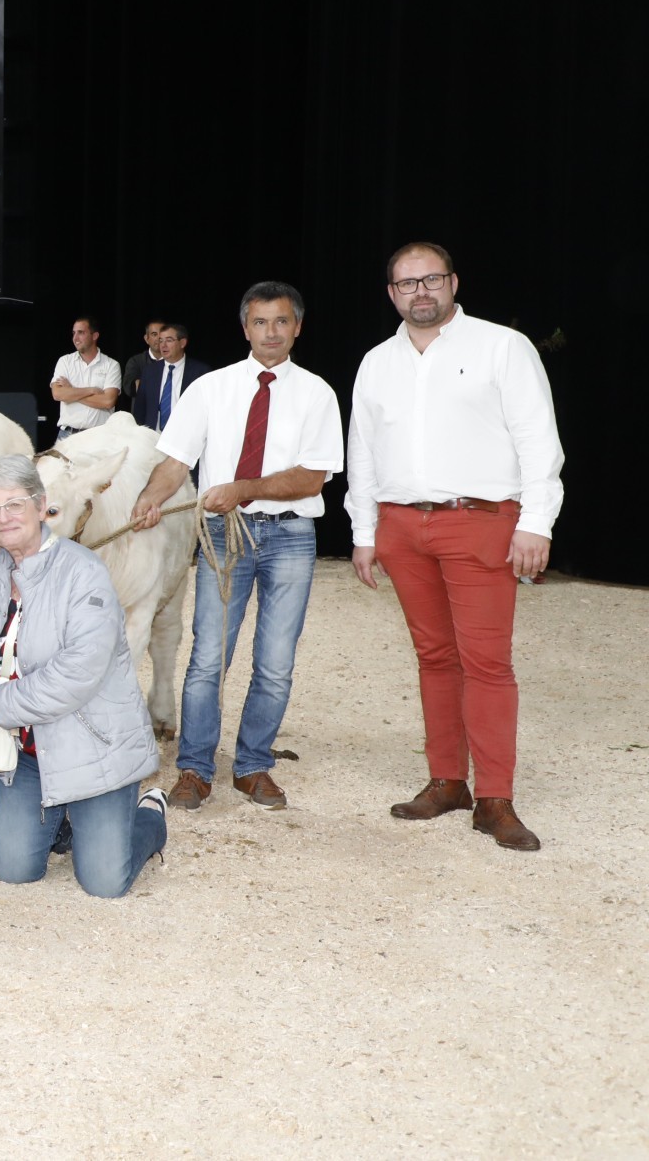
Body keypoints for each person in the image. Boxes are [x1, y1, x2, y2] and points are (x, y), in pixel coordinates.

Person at [347, 242, 563, 852]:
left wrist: (536, 523)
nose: (421, 291)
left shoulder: (501, 347)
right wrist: (365, 534)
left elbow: (538, 443)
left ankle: (496, 797)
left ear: (452, 282)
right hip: (400, 526)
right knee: (434, 657)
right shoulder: (376, 362)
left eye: (431, 279)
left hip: (482, 522)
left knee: (487, 662)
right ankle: (448, 780)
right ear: (391, 292)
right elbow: (361, 450)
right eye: (407, 283)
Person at [132, 281, 344, 812]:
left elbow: (313, 478)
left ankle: (252, 766)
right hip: (225, 536)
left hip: (291, 534)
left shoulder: (317, 393)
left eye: (280, 322)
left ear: (297, 326)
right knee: (208, 658)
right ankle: (194, 769)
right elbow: (176, 461)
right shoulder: (211, 389)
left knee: (275, 662)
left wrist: (242, 490)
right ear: (244, 328)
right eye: (259, 322)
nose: (270, 332)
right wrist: (149, 500)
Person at [0, 454, 168, 897]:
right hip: (31, 753)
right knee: (12, 869)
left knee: (103, 882)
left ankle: (149, 814)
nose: (3, 518)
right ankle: (63, 820)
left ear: (41, 506)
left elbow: (77, 672)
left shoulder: (83, 571)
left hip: (92, 748)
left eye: (14, 504)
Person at [50, 316, 120, 440]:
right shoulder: (65, 361)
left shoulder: (111, 365)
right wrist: (91, 390)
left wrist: (71, 391)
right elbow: (58, 394)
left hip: (99, 437)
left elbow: (108, 402)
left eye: (81, 333)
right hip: (68, 435)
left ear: (95, 336)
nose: (75, 338)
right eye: (74, 333)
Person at [131, 323, 209, 431]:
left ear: (182, 343)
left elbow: (207, 410)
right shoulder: (149, 371)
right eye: (161, 340)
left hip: (185, 436)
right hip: (153, 437)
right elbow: (140, 409)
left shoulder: (200, 372)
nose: (163, 345)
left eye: (169, 340)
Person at [121, 319, 165, 414]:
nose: (158, 338)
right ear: (146, 339)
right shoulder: (136, 361)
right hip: (143, 418)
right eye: (154, 334)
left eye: (161, 334)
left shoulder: (174, 362)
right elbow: (129, 387)